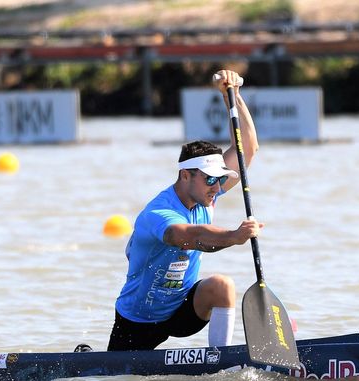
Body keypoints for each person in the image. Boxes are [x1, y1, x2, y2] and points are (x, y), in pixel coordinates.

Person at [107, 69, 261, 351]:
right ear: (185, 176)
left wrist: (232, 96)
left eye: (219, 179)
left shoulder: (207, 195)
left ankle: (219, 359)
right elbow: (188, 236)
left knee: (222, 286)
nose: (217, 186)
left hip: (181, 310)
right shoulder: (158, 213)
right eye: (209, 179)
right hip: (138, 320)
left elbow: (247, 149)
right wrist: (233, 236)